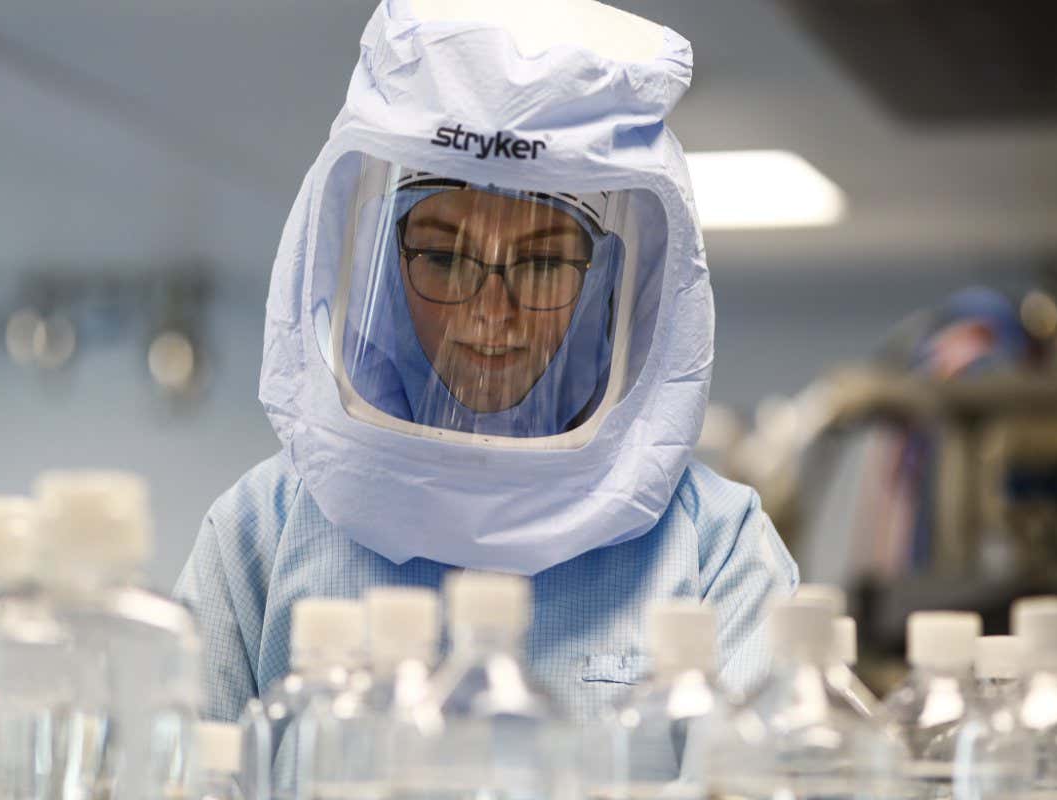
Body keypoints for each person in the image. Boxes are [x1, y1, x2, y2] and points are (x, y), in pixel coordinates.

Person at [175, 0, 798, 725]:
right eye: (442, 255)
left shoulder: (714, 547)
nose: (489, 313)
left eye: (542, 263)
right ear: (375, 259)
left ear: (614, 282)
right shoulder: (265, 532)